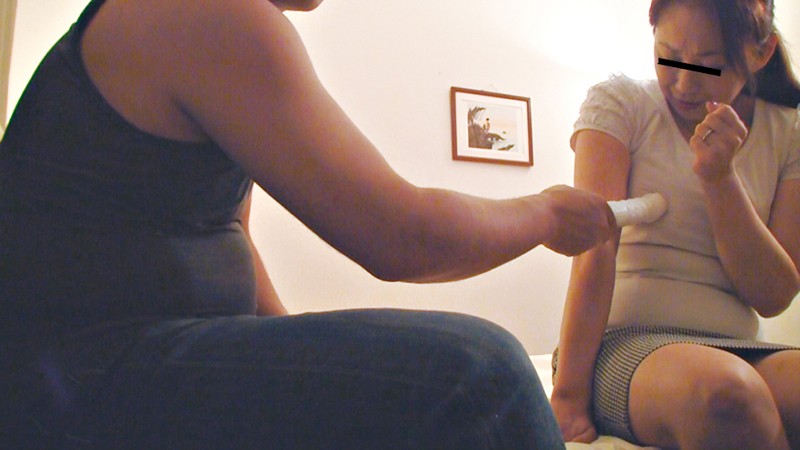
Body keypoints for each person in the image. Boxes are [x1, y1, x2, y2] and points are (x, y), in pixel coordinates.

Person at [0, 0, 616, 448]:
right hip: (76, 386)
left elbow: (230, 233)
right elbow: (402, 238)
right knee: (482, 376)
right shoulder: (211, 13)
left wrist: (298, 350)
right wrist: (547, 213)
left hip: (128, 361)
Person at [551, 0, 800, 448]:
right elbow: (593, 249)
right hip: (627, 342)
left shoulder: (788, 131)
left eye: (710, 65)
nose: (684, 83)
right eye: (669, 56)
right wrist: (568, 397)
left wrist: (720, 178)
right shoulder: (621, 104)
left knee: (741, 385)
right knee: (729, 397)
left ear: (761, 54)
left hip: (739, 346)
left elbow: (774, 296)